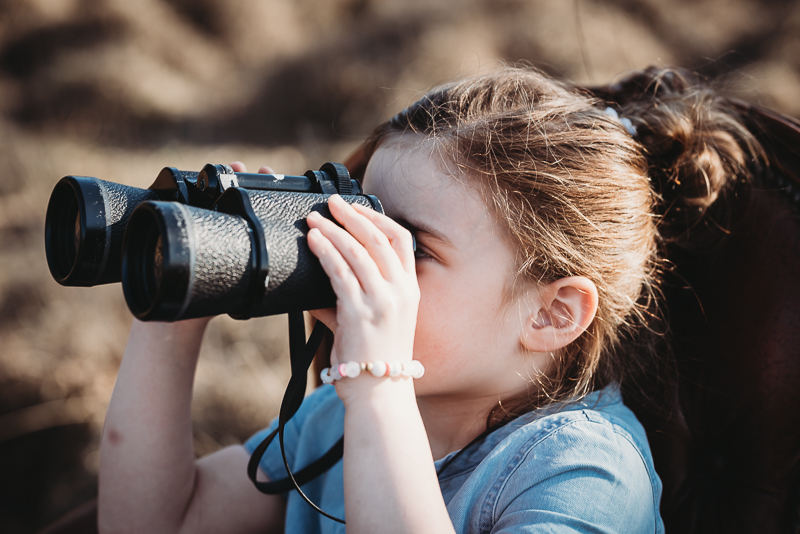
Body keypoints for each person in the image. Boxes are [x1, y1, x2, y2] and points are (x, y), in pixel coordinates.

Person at [98, 65, 763, 533]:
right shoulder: (336, 417)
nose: (359, 258)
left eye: (407, 247)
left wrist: (379, 388)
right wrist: (174, 293)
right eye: (358, 216)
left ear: (552, 313)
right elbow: (158, 523)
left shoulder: (584, 473)